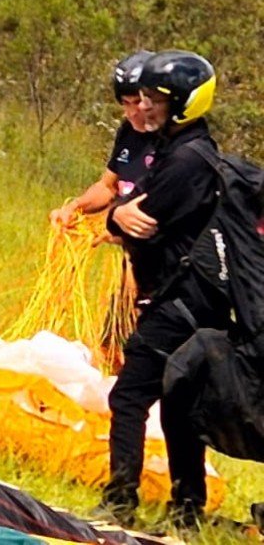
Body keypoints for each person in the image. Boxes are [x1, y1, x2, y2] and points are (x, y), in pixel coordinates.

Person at [96, 50, 226, 527]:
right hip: (193, 300)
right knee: (179, 404)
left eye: (156, 98)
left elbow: (137, 220)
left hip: (178, 302)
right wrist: (118, 214)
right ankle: (188, 510)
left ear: (185, 103)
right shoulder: (181, 147)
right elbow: (125, 209)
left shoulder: (189, 160)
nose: (146, 106)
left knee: (129, 398)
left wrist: (116, 217)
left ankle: (119, 502)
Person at [50, 51, 155, 228]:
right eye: (125, 103)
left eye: (137, 102)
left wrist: (107, 222)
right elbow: (108, 186)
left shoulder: (176, 144)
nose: (131, 113)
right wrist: (74, 208)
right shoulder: (128, 131)